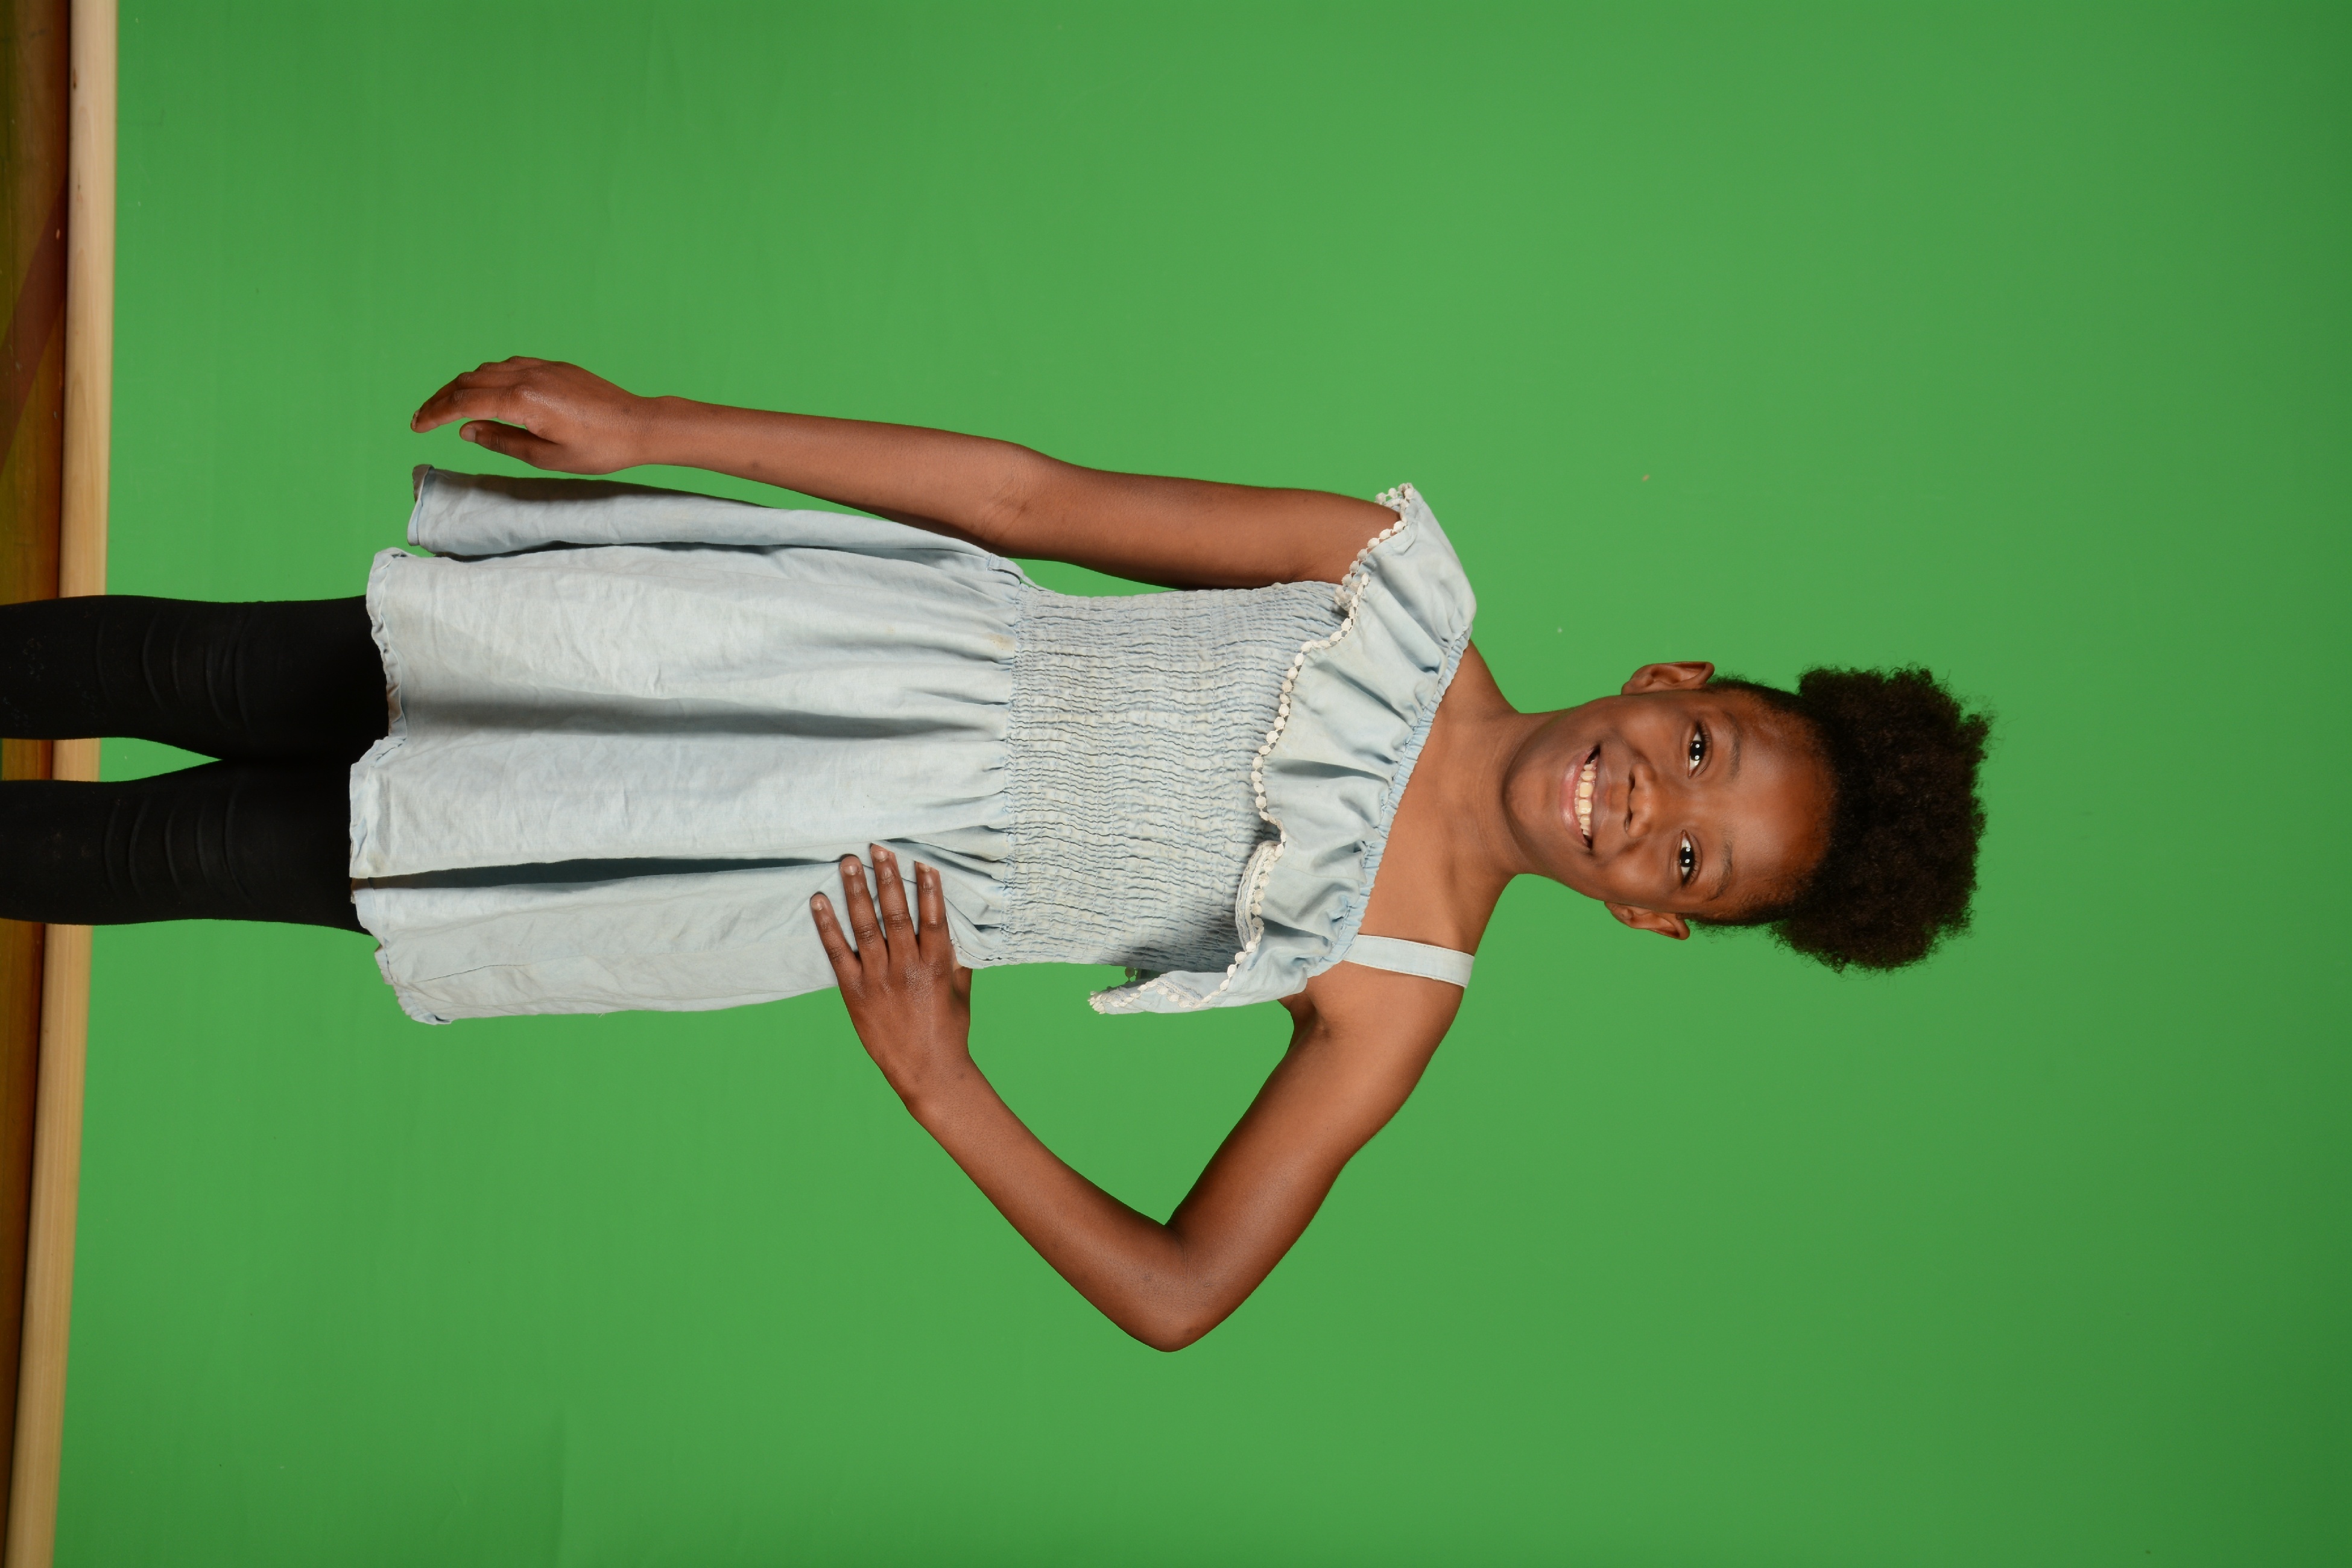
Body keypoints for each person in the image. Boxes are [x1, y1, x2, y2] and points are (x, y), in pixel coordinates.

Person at [0, 358, 1989, 1348]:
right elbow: (1024, 496)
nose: (1647, 805)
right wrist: (654, 423)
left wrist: (948, 1089)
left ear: (1652, 922)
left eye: (1691, 861)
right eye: (1699, 753)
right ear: (1671, 678)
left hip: (746, 867)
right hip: (760, 646)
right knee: (205, 664)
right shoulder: (1385, 580)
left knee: (204, 847)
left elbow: (1182, 1291)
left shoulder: (1389, 997)